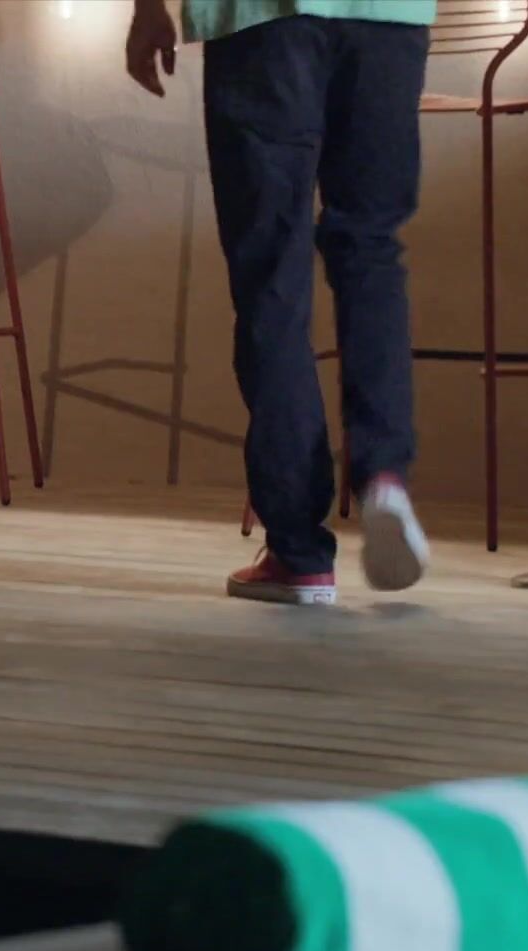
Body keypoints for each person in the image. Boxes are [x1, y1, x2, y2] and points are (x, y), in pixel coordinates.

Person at [126, 0, 434, 605]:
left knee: (272, 267)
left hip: (264, 22)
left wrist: (147, 8)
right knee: (370, 250)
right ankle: (383, 474)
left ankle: (298, 553)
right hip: (390, 21)